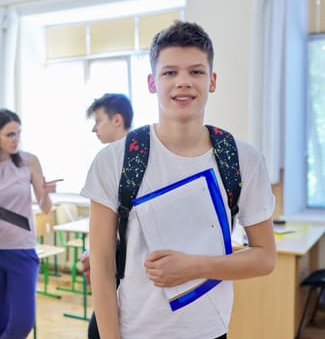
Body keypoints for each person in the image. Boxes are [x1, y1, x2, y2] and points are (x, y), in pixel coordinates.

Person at [80, 20, 276, 338]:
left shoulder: (241, 158)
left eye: (195, 72)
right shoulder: (116, 160)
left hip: (208, 330)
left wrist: (194, 266)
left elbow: (265, 257)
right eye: (170, 72)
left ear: (212, 80)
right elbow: (101, 266)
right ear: (152, 82)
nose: (183, 82)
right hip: (134, 329)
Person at [0, 108, 59, 339]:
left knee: (22, 323)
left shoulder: (30, 161)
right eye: (10, 134)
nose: (16, 139)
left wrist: (47, 193)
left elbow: (45, 207)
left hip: (22, 251)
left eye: (18, 133)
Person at [83, 93, 134, 339]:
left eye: (98, 120)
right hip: (117, 265)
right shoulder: (110, 161)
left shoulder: (136, 160)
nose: (94, 128)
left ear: (117, 120)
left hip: (131, 270)